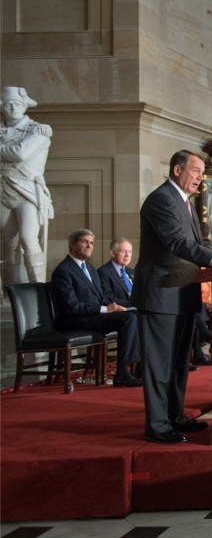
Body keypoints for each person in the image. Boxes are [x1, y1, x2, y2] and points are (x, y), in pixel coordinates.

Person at [136, 150, 212, 444]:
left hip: (183, 292)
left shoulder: (184, 202)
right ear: (176, 170)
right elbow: (177, 242)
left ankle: (175, 416)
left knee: (179, 363)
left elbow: (200, 241)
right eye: (195, 171)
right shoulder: (161, 200)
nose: (200, 177)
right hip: (161, 293)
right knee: (160, 364)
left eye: (201, 172)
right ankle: (157, 425)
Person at [51, 229, 143, 387]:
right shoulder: (63, 271)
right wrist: (105, 309)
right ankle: (122, 373)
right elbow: (71, 305)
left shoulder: (91, 270)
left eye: (91, 243)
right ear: (73, 245)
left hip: (94, 316)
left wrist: (117, 307)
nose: (89, 245)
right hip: (74, 319)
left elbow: (103, 297)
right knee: (129, 319)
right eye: (84, 242)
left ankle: (140, 368)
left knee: (137, 314)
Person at [0, 86, 53, 283]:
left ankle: (37, 288)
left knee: (29, 239)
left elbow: (21, 153)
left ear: (25, 107)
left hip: (27, 191)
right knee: (10, 243)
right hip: (3, 190)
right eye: (9, 104)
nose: (14, 108)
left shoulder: (38, 130)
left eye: (18, 104)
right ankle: (14, 292)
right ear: (3, 107)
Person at [98, 237, 136, 308]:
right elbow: (109, 297)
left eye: (130, 251)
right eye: (124, 251)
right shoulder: (103, 272)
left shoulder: (133, 272)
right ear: (113, 253)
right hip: (120, 311)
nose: (127, 255)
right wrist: (133, 306)